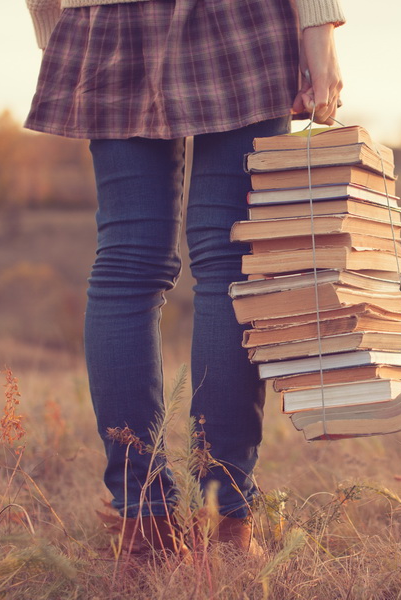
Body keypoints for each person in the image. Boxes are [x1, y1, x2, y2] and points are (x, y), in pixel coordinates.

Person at [24, 0, 345, 555]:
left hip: (107, 21)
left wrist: (57, 24)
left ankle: (142, 523)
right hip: (238, 18)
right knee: (228, 262)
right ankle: (227, 521)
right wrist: (318, 28)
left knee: (127, 264)